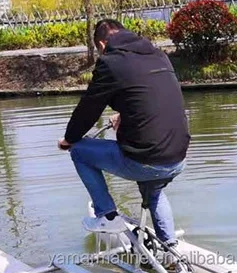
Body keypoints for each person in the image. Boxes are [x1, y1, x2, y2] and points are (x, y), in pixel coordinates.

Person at [58, 18, 190, 245]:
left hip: (146, 160)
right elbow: (154, 99)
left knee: (79, 151)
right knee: (154, 189)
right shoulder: (159, 56)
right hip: (178, 156)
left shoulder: (110, 62)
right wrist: (125, 114)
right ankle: (170, 248)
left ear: (101, 45)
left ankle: (107, 216)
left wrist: (69, 139)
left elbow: (88, 109)